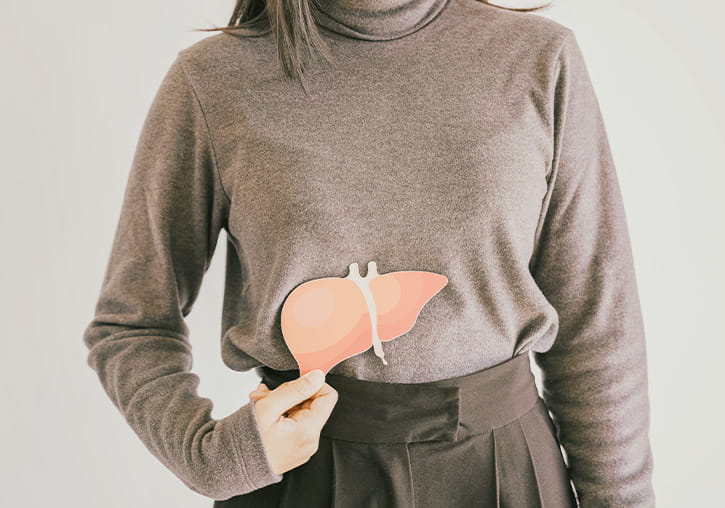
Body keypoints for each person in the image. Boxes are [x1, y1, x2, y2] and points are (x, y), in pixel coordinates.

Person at [82, 0, 656, 505]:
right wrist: (210, 456)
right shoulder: (212, 80)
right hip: (304, 474)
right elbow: (129, 322)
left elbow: (596, 323)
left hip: (505, 472)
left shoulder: (538, 57)